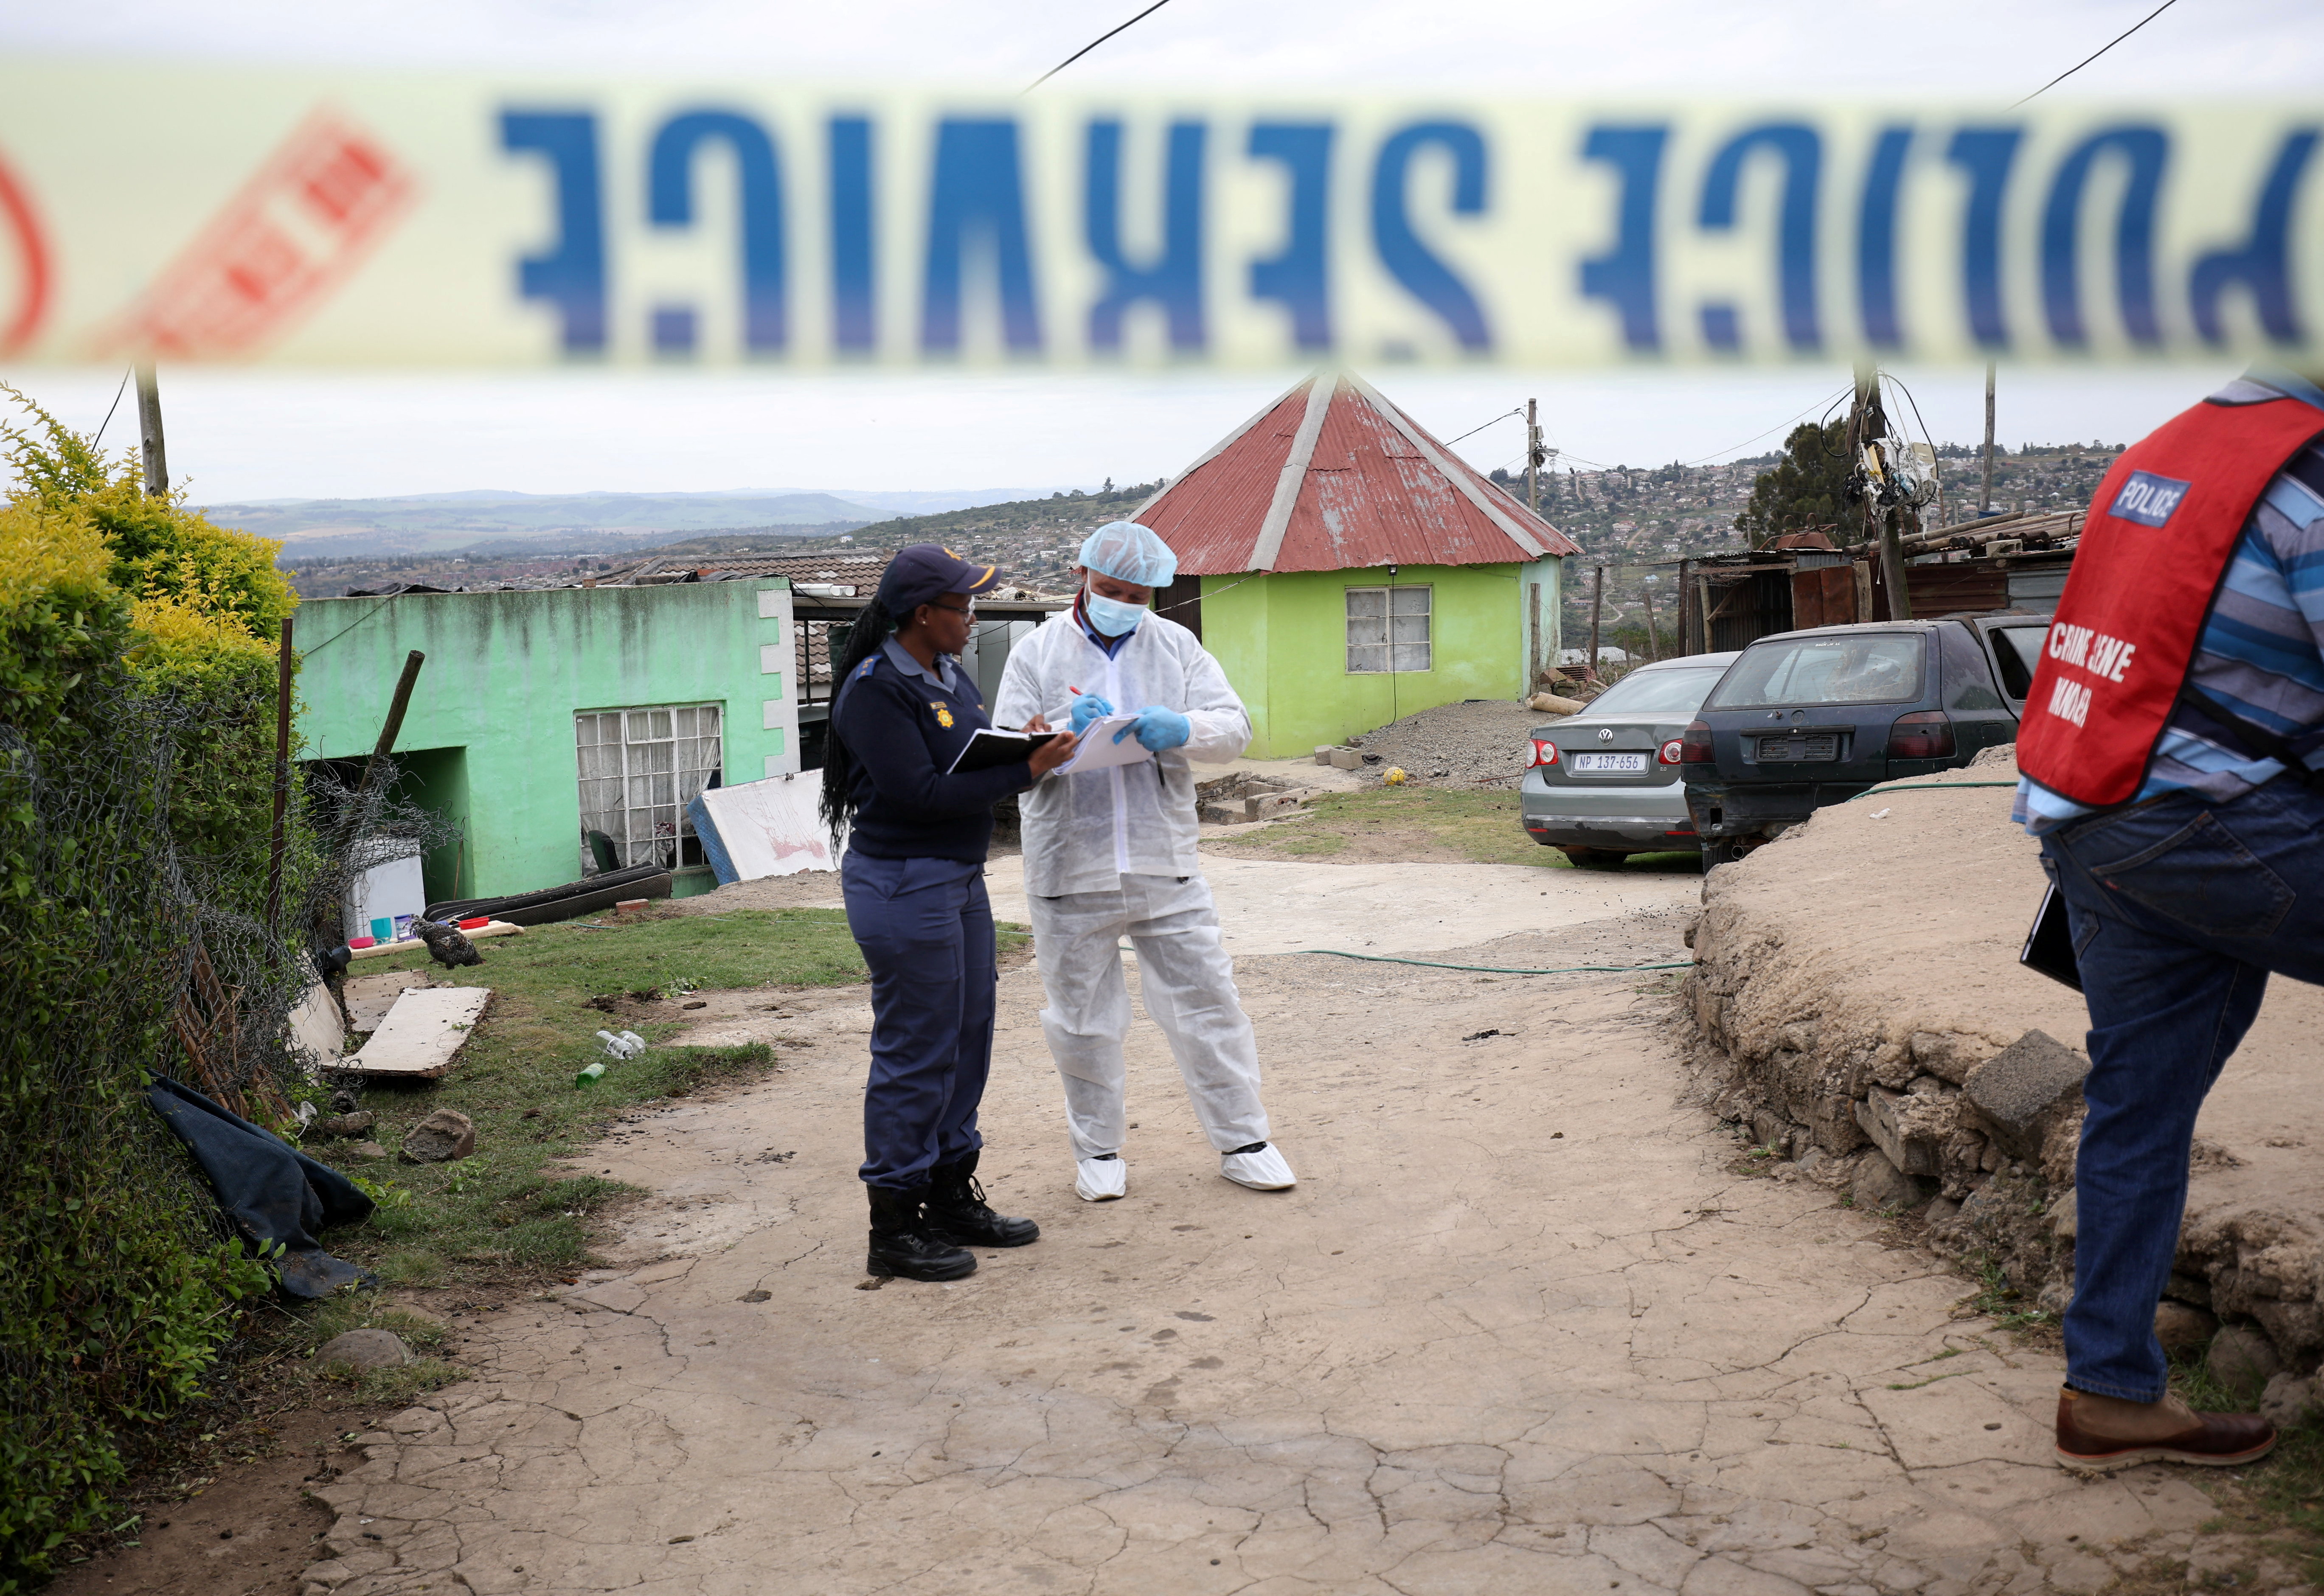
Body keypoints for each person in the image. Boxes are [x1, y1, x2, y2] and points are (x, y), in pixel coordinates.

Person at [2014, 367, 2324, 1470]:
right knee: (2138, 1110)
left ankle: (2106, 1392)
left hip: (2092, 811)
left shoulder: (2164, 451)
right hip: (2201, 817)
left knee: (2136, 1111)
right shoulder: (2310, 476)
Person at [993, 520, 1296, 1203]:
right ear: (1082, 577)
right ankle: (1098, 1152)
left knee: (1209, 1003)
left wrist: (1184, 728)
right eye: (1110, 589)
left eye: (1136, 594)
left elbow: (1235, 727)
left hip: (1165, 862)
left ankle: (1244, 1139)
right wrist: (1055, 735)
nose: (1122, 602)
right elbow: (1007, 748)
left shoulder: (1177, 646)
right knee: (1081, 1018)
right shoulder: (1036, 653)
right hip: (1070, 865)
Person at [821, 544, 1079, 1282]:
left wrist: (1025, 746)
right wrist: (1025, 770)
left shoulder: (946, 671)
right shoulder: (875, 688)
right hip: (904, 885)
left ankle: (948, 1190)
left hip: (959, 881)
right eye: (963, 606)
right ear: (923, 614)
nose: (974, 616)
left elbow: (966, 753)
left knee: (968, 1036)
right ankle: (895, 1223)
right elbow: (919, 795)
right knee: (916, 1049)